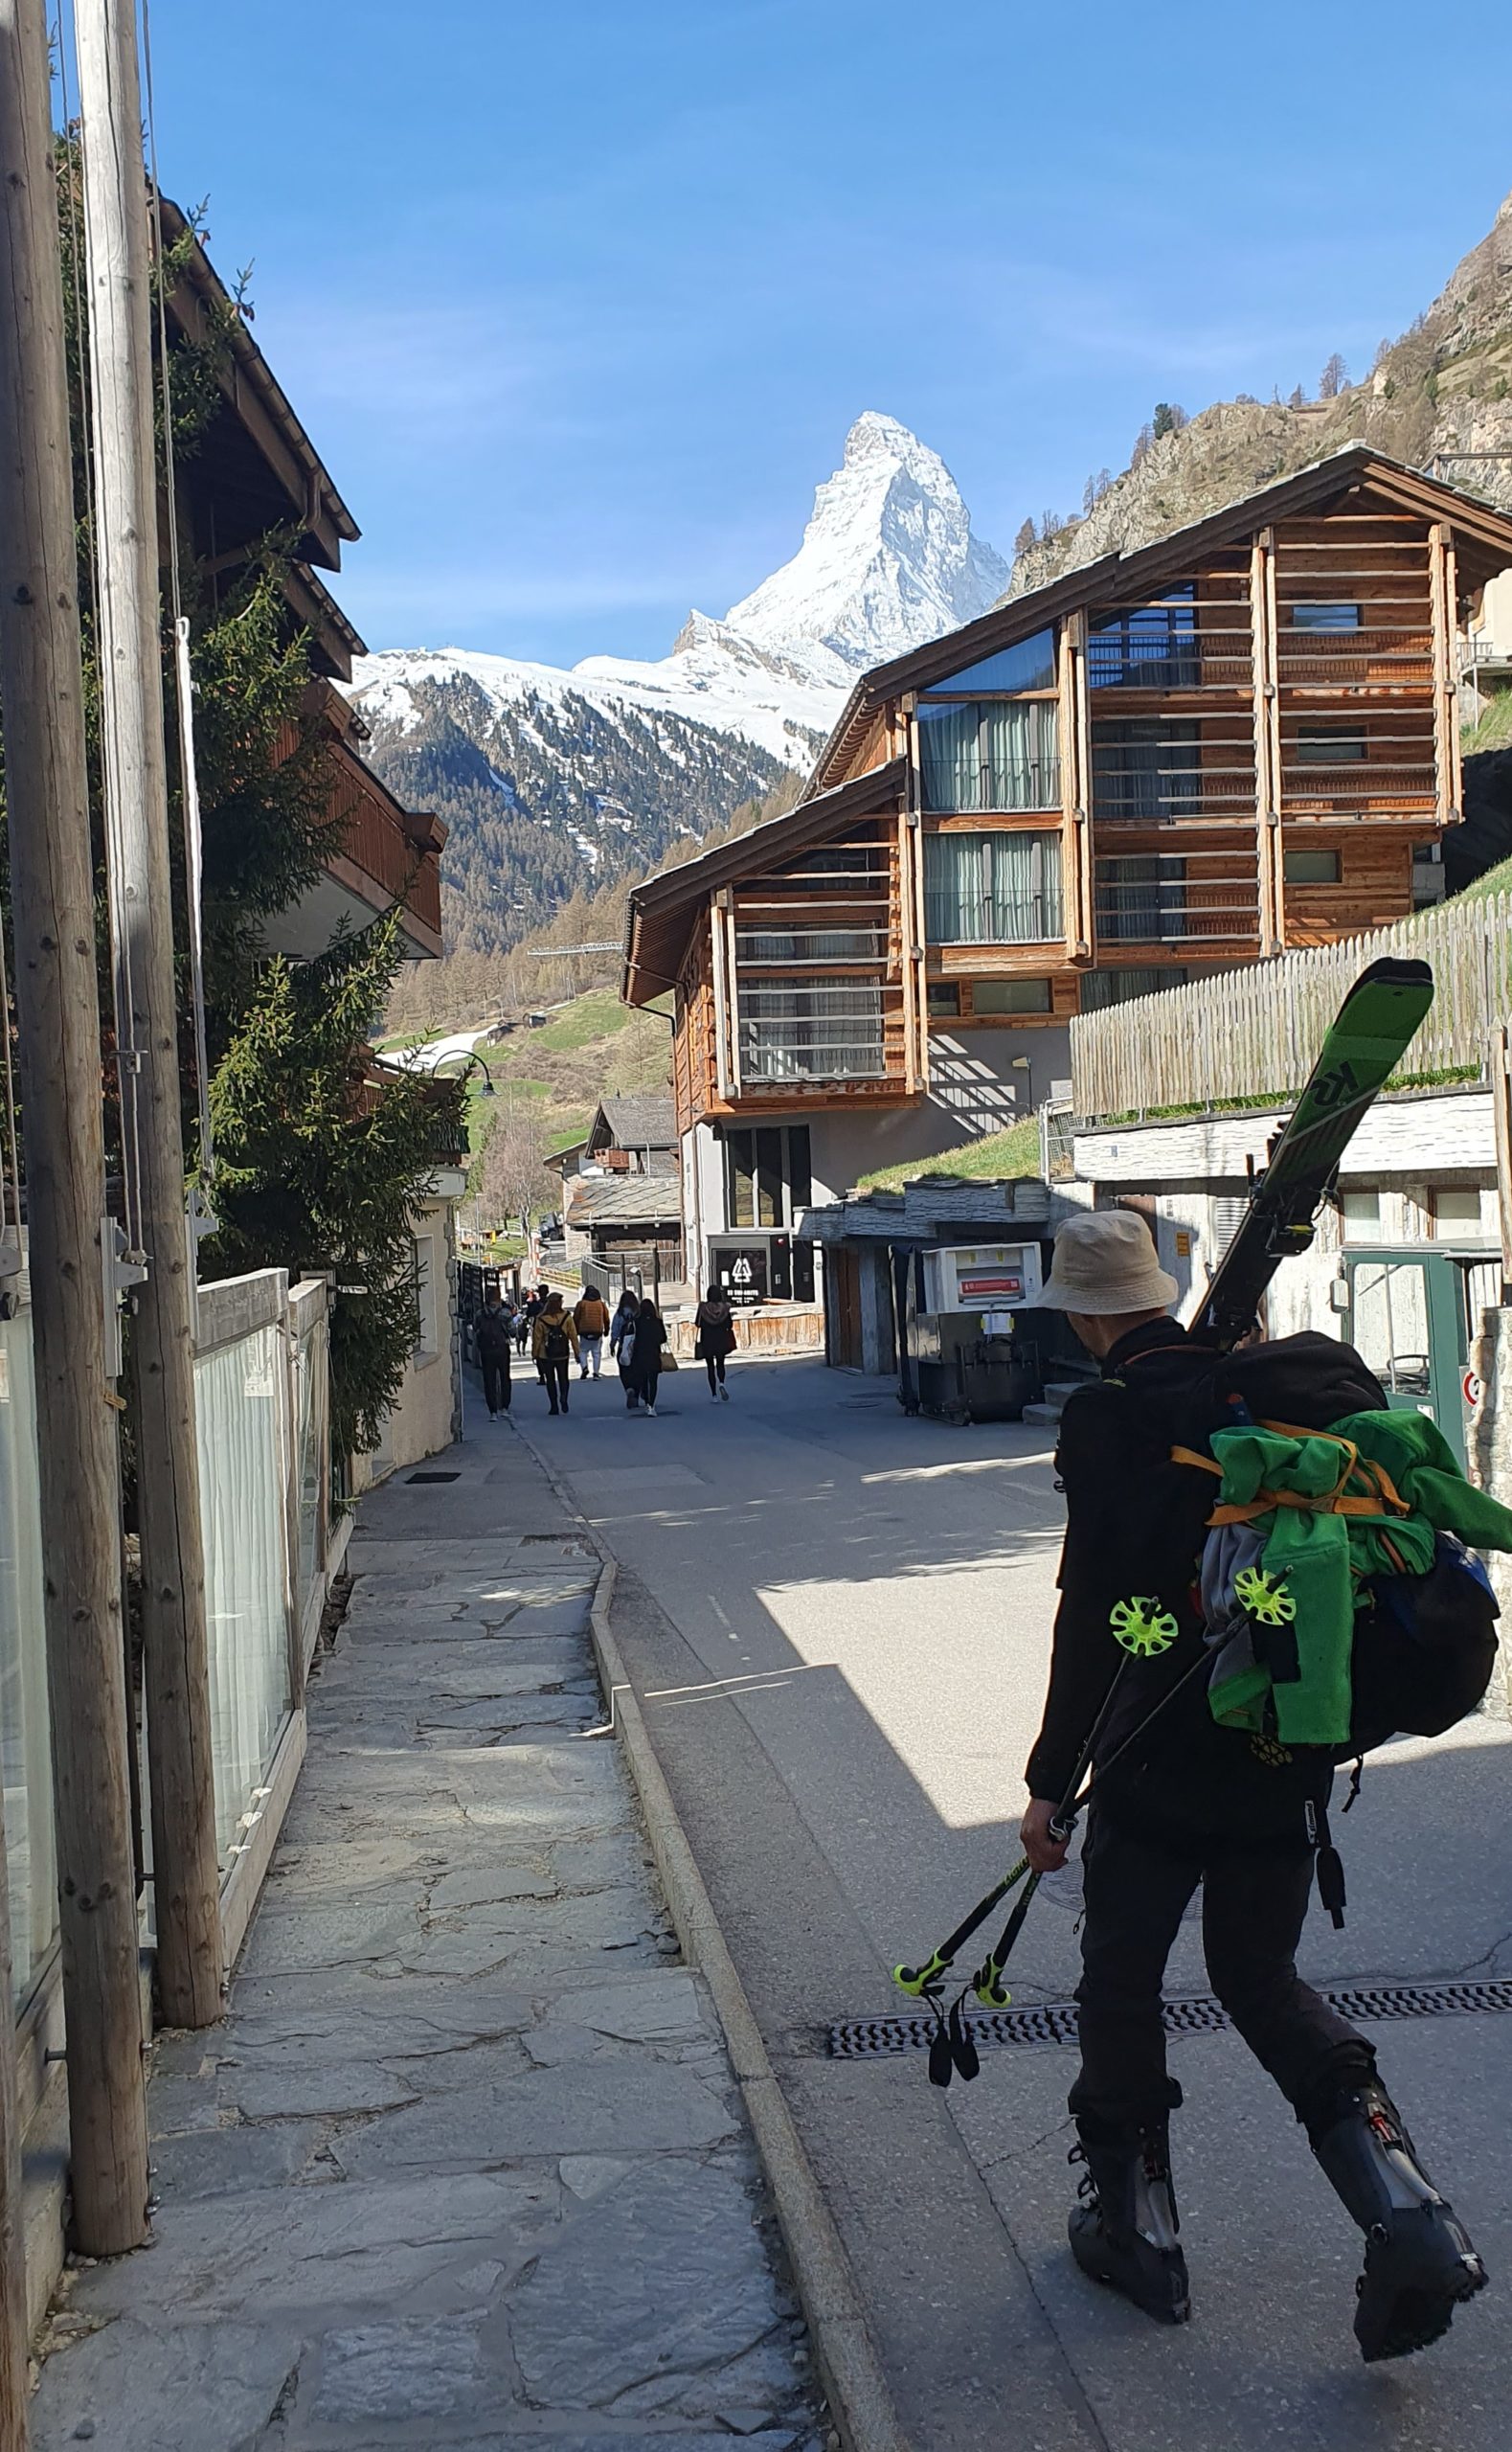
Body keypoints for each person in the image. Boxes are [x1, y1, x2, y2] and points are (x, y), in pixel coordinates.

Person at [1021, 1208, 1484, 2359]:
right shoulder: (1266, 1388)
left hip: (1156, 1753)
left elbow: (1093, 1619)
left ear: (1083, 1315)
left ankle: (1141, 2231)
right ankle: (1406, 2208)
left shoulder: (1108, 1417)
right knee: (1260, 1978)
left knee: (1122, 1977)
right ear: (1162, 1289)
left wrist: (1048, 1777)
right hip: (1283, 1741)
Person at [531, 1290, 577, 1415]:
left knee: (550, 1380)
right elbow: (573, 1335)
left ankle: (554, 1406)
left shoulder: (541, 1319)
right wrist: (577, 1352)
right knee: (563, 1378)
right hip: (563, 1353)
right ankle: (564, 1397)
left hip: (545, 1354)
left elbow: (537, 1338)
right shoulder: (567, 1317)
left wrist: (534, 1353)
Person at [622, 1295, 668, 1418]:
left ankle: (644, 1396)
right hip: (653, 1354)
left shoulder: (637, 1322)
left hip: (639, 1355)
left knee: (642, 1379)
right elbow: (663, 1338)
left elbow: (632, 1337)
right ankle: (651, 1405)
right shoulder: (658, 1322)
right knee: (653, 1381)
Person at [475, 1286, 513, 1419]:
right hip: (502, 1348)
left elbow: (476, 1329)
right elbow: (512, 1331)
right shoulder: (505, 1313)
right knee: (505, 1378)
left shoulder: (480, 1313)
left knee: (489, 1380)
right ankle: (504, 1408)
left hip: (486, 1350)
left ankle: (492, 1412)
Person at [693, 1283, 735, 1400]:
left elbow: (698, 1323)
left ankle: (714, 1394)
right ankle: (721, 1383)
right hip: (721, 1339)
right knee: (720, 1363)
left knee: (710, 1366)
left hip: (707, 1340)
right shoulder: (725, 1308)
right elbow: (729, 1324)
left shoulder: (703, 1308)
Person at [610, 1288, 642, 1409]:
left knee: (624, 1370)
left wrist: (613, 1344)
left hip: (623, 1345)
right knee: (637, 1371)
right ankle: (636, 1393)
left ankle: (628, 1388)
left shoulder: (619, 1314)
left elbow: (615, 1330)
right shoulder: (638, 1313)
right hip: (636, 1346)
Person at [574, 1286, 611, 1380]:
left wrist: (575, 1330)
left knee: (583, 1351)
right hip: (597, 1331)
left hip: (584, 1331)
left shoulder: (581, 1304)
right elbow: (606, 1319)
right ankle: (596, 1373)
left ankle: (584, 1367)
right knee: (596, 1353)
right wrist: (606, 1330)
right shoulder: (601, 1304)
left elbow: (576, 1318)